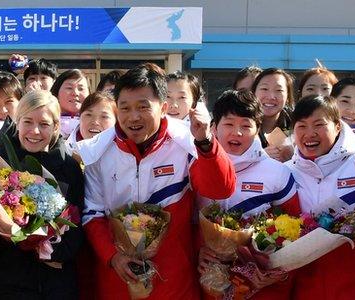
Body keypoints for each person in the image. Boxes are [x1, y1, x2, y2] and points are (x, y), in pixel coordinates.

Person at [78, 66, 236, 300]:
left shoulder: (186, 142)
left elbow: (220, 189)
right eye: (125, 108)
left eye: (143, 107)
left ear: (163, 108)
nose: (133, 117)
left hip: (174, 279)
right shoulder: (99, 152)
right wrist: (113, 256)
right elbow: (92, 214)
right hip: (118, 279)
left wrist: (205, 143)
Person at [0, 90, 85, 299]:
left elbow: (79, 223)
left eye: (44, 124)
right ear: (17, 122)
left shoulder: (69, 167)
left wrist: (48, 248)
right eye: (27, 122)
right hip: (8, 280)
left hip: (56, 283)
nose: (34, 131)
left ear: (55, 127)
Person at [286, 95, 355, 299]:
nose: (310, 134)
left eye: (319, 124)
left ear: (337, 126)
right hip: (308, 284)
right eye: (301, 126)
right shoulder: (285, 172)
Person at [197, 90, 300, 299]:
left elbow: (298, 229)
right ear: (214, 127)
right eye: (229, 124)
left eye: (246, 125)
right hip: (207, 282)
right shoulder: (195, 166)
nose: (237, 132)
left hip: (262, 287)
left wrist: (278, 272)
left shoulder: (277, 172)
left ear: (257, 129)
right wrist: (198, 249)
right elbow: (184, 222)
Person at [252, 68, 296, 162]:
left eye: (279, 90)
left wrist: (295, 157)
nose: (271, 96)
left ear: (288, 97)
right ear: (253, 92)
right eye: (264, 89)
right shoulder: (243, 124)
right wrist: (260, 157)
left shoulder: (297, 125)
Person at [50, 69, 90, 138]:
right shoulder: (47, 122)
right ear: (56, 93)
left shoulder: (96, 123)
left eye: (81, 89)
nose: (75, 93)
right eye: (69, 88)